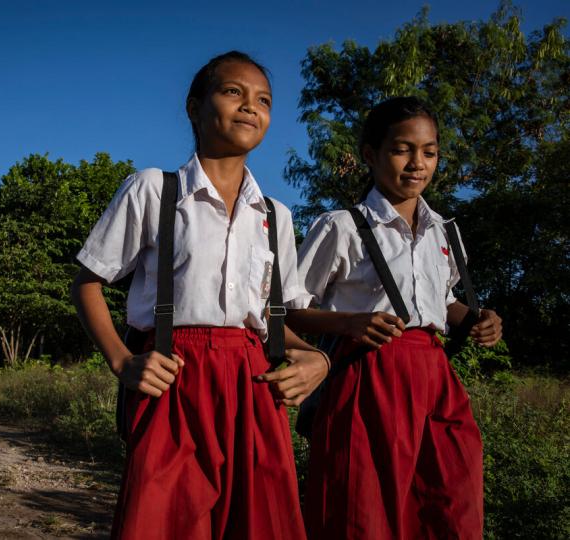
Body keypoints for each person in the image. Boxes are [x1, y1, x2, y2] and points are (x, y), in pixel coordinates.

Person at [72, 51, 326, 540]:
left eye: (264, 100)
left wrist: (317, 359)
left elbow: (272, 321)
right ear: (194, 106)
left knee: (259, 525)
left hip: (254, 383)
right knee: (163, 522)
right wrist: (123, 362)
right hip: (174, 379)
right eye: (234, 92)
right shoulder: (154, 190)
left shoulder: (277, 216)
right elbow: (86, 282)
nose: (251, 107)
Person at [286, 96, 503, 539]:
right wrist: (349, 323)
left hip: (435, 375)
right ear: (371, 154)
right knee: (364, 505)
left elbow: (440, 302)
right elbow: (289, 310)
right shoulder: (342, 226)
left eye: (429, 151)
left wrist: (475, 319)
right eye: (402, 149)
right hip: (367, 372)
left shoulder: (445, 231)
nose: (417, 164)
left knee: (450, 496)